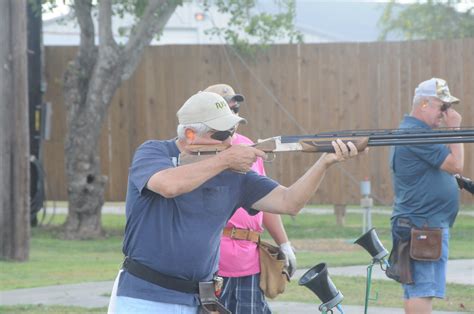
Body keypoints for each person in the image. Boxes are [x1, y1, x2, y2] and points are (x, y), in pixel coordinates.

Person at [113, 90, 361, 313]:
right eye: (222, 134)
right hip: (145, 298)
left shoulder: (234, 174)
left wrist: (324, 163)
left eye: (232, 132)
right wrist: (225, 161)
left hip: (200, 301)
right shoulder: (154, 152)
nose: (231, 141)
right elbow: (168, 185)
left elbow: (290, 202)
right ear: (189, 134)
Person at [204, 84, 295, 314]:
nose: (233, 114)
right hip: (213, 261)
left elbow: (266, 200)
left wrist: (284, 243)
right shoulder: (200, 150)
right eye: (227, 109)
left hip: (249, 260)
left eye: (235, 108)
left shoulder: (248, 146)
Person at [389, 78, 463, 314]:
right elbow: (456, 164)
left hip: (425, 224)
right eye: (442, 107)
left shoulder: (418, 132)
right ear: (423, 104)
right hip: (422, 224)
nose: (445, 114)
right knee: (422, 290)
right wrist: (455, 129)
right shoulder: (415, 133)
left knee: (421, 289)